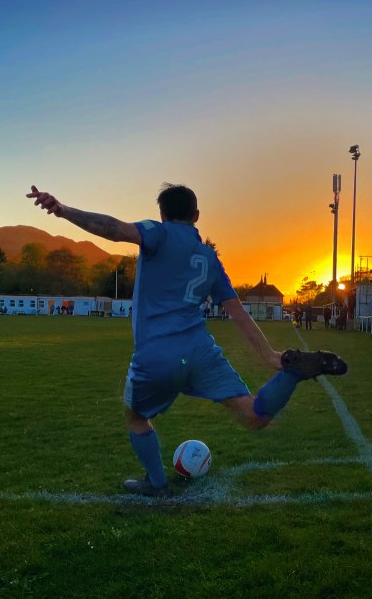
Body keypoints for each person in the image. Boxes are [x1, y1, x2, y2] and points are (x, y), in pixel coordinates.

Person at [26, 183, 347, 497]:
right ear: (196, 215)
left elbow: (114, 228)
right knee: (254, 416)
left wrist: (63, 210)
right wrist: (270, 356)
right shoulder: (209, 258)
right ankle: (291, 374)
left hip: (157, 353)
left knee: (136, 417)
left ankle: (156, 483)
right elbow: (238, 312)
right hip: (200, 351)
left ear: (162, 214)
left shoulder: (158, 233)